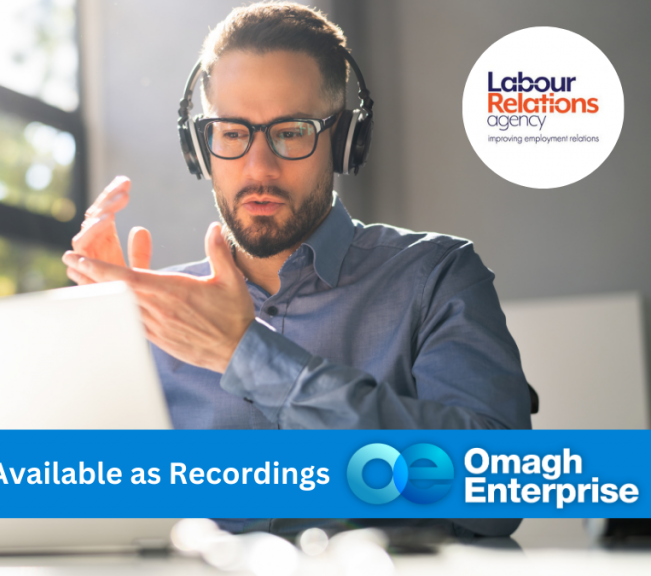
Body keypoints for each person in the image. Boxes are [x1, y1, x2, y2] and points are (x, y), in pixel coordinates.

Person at [62, 2, 531, 537]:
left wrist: (248, 355)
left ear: (344, 140)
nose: (259, 167)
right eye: (232, 133)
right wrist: (94, 340)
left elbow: (495, 493)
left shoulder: (436, 277)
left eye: (292, 131)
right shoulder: (156, 311)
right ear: (201, 147)